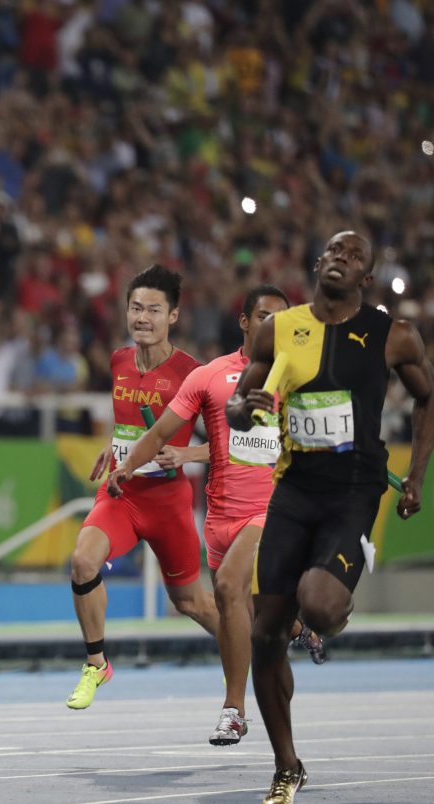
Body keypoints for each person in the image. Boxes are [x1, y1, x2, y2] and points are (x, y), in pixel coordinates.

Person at [227, 231, 434, 804]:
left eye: (355, 257)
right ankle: (286, 766)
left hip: (353, 490)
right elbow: (241, 398)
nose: (341, 261)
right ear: (317, 262)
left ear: (366, 279)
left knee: (316, 601)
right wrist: (242, 407)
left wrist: (417, 473)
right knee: (265, 632)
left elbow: (430, 396)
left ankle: (332, 595)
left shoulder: (391, 335)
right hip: (294, 489)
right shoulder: (279, 328)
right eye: (334, 252)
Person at [108, 285, 326, 745]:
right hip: (220, 518)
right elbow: (163, 429)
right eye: (264, 316)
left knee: (228, 587)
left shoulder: (297, 378)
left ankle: (233, 709)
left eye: (281, 319)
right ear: (244, 322)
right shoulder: (209, 376)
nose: (274, 326)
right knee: (239, 613)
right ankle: (293, 627)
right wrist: (127, 466)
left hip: (269, 510)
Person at [66, 264, 220, 709]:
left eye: (154, 309)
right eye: (136, 308)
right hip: (121, 494)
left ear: (173, 315)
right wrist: (113, 448)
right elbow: (130, 424)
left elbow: (233, 442)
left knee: (192, 603)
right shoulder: (117, 360)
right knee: (81, 561)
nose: (142, 317)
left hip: (168, 501)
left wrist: (186, 455)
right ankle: (97, 663)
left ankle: (250, 647)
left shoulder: (195, 373)